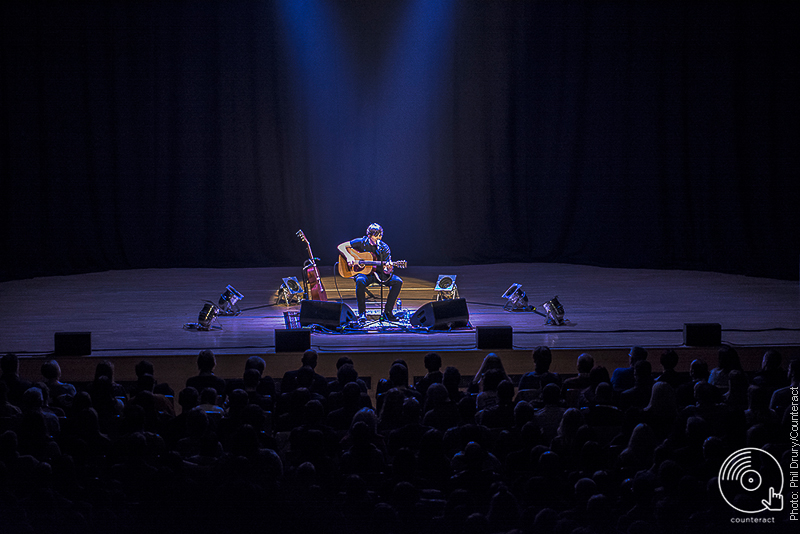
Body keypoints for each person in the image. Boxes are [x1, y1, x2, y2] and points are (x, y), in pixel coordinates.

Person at [337, 223, 403, 322]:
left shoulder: (384, 248)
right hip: (365, 274)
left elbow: (387, 270)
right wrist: (348, 256)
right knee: (360, 280)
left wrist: (388, 269)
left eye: (380, 235)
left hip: (380, 274)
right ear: (369, 236)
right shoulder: (361, 242)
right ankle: (362, 313)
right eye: (376, 235)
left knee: (398, 281)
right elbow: (341, 246)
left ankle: (388, 312)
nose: (379, 238)